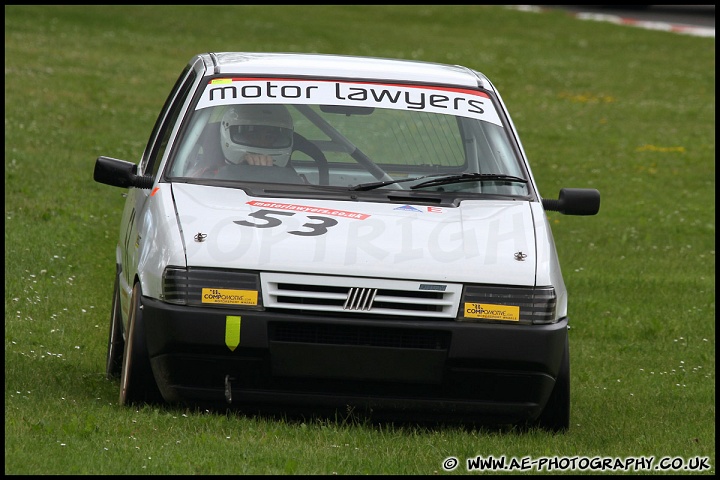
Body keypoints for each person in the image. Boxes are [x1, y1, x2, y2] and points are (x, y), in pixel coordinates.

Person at [189, 104, 295, 177]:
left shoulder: (296, 183)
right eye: (253, 135)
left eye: (269, 137)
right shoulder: (206, 176)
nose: (262, 143)